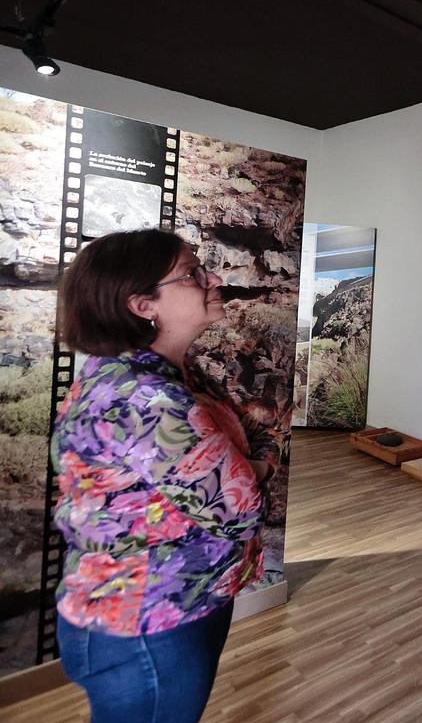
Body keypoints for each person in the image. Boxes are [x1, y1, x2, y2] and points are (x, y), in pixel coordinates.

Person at [51, 228, 277, 723]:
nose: (214, 279)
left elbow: (254, 442)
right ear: (141, 304)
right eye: (193, 274)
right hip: (145, 621)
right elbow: (240, 508)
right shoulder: (141, 397)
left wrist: (251, 463)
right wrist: (257, 465)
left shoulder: (176, 374)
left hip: (182, 602)